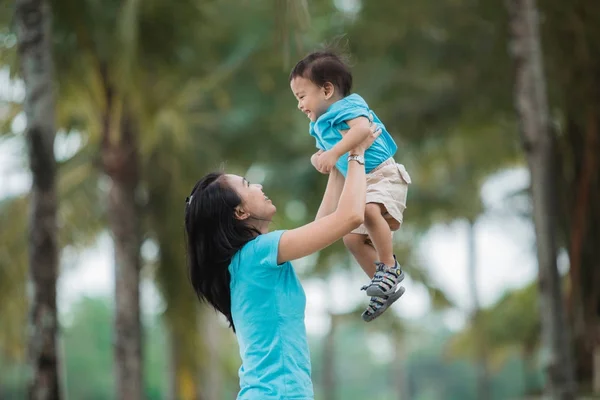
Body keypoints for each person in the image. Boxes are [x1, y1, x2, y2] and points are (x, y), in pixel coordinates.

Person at [184, 123, 388, 400]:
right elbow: (350, 217)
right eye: (247, 185)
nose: (258, 185)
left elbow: (325, 225)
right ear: (241, 212)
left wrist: (337, 156)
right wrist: (356, 153)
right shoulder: (257, 254)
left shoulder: (248, 260)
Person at [289, 50, 412, 322]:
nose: (299, 105)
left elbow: (362, 131)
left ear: (327, 90)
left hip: (383, 174)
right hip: (360, 181)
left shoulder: (348, 106)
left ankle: (390, 267)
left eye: (301, 97)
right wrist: (320, 157)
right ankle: (383, 288)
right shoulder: (319, 126)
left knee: (368, 212)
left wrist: (333, 154)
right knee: (351, 238)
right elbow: (331, 163)